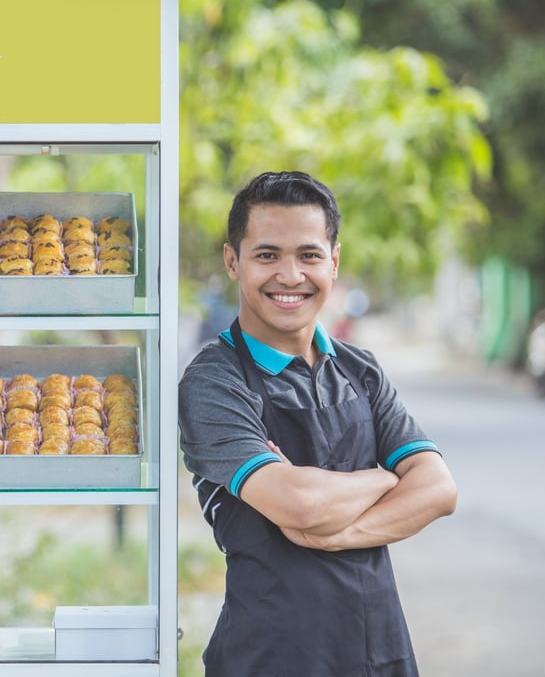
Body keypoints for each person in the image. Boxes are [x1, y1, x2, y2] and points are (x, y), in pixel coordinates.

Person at [178, 171, 458, 676]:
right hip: (268, 656)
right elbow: (299, 504)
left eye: (308, 255)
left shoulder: (361, 369)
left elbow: (439, 490)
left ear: (334, 261)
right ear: (232, 261)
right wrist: (385, 478)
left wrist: (332, 534)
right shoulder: (213, 382)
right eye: (267, 255)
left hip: (379, 652)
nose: (290, 276)